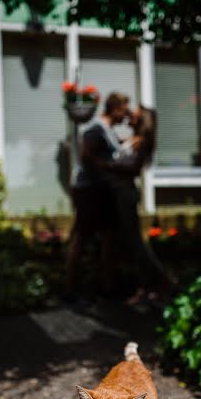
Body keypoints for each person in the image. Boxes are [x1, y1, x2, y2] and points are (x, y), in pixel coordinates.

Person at [66, 92, 130, 298]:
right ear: (116, 109)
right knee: (82, 237)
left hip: (100, 189)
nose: (126, 115)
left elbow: (108, 148)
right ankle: (71, 289)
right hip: (90, 190)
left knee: (108, 237)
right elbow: (87, 156)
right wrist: (113, 167)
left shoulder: (107, 130)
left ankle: (108, 286)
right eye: (125, 110)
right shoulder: (96, 128)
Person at [107, 105, 174, 304]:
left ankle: (158, 281)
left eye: (135, 113)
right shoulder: (131, 139)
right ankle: (152, 284)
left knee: (135, 242)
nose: (131, 115)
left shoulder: (143, 142)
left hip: (126, 193)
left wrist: (103, 164)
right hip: (120, 192)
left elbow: (133, 167)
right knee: (130, 242)